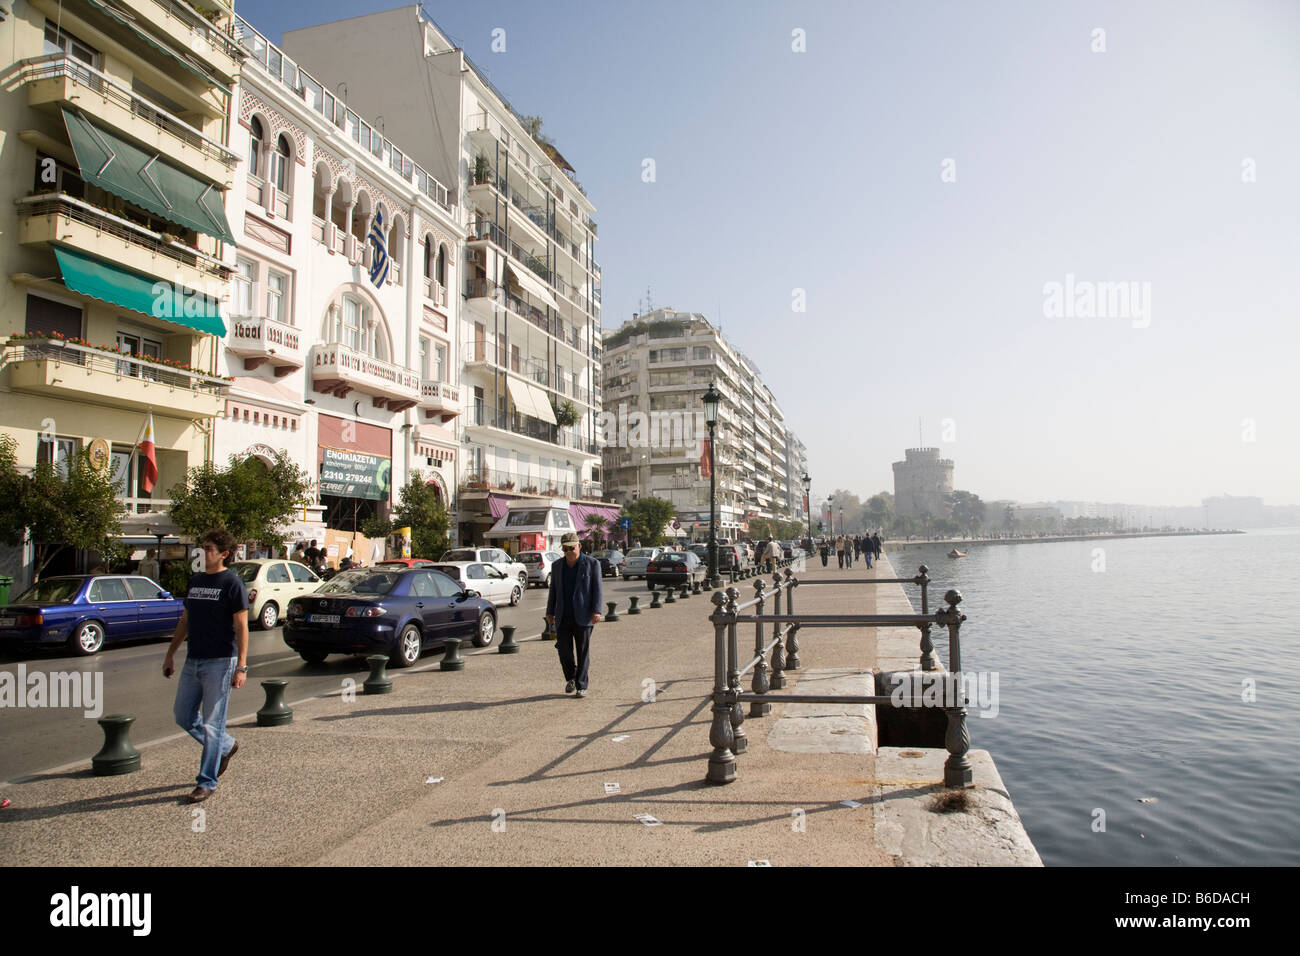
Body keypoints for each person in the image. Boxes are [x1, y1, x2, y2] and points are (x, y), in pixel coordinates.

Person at [163, 529, 249, 804]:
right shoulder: (196, 580)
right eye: (202, 547)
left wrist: (242, 666)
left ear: (223, 553)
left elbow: (242, 626)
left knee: (213, 723)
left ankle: (206, 781)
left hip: (220, 662)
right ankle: (225, 746)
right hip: (193, 659)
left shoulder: (232, 583)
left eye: (208, 548)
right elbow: (185, 621)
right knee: (183, 716)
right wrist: (170, 654)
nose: (203, 552)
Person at [545, 532, 603, 698]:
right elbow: (553, 591)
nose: (569, 551)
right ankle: (571, 676)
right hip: (563, 615)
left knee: (582, 651)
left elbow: (597, 589)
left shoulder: (593, 564)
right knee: (564, 650)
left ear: (579, 546)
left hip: (584, 616)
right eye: (565, 548)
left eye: (572, 548)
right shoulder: (557, 566)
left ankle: (581, 685)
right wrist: (549, 611)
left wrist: (597, 611)